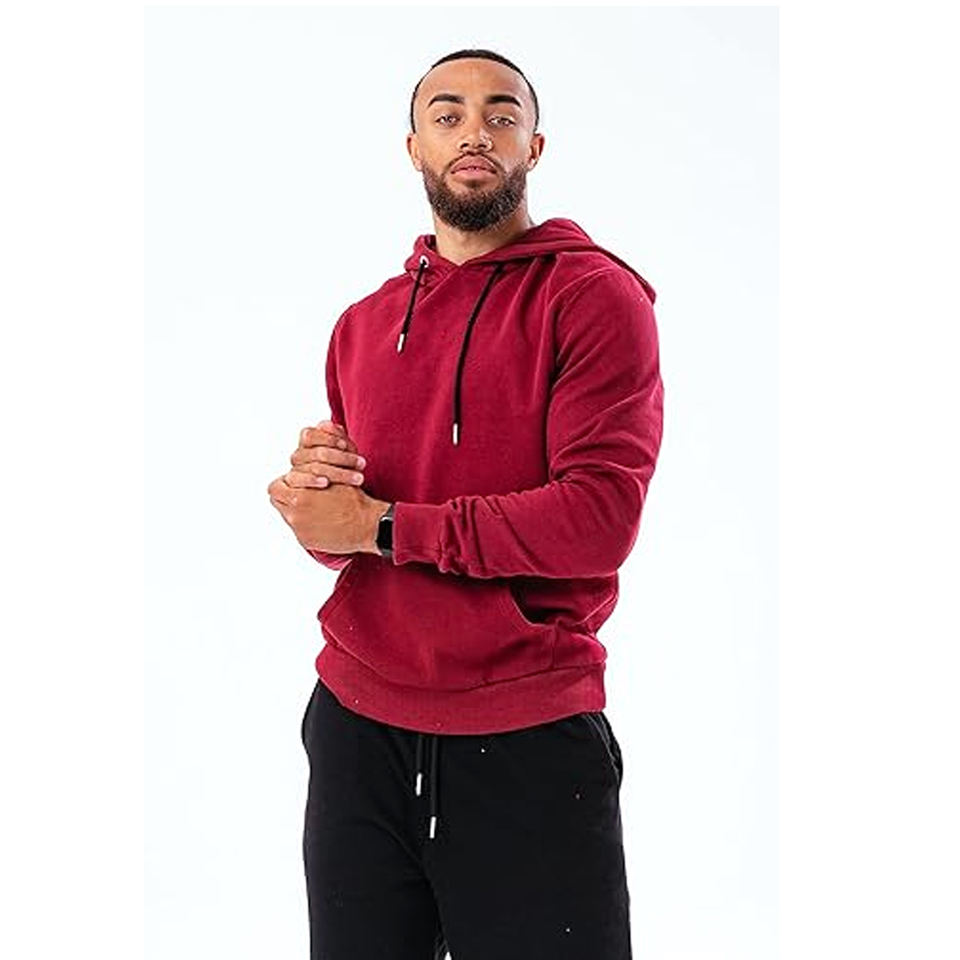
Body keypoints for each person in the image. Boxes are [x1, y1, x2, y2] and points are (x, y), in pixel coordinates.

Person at [267, 47, 664, 960]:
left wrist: (381, 525)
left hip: (526, 736)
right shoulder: (363, 324)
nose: (474, 132)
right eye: (446, 116)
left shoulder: (593, 297)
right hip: (356, 728)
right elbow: (355, 530)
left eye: (501, 114)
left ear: (535, 145)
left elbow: (599, 518)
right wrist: (319, 507)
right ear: (414, 147)